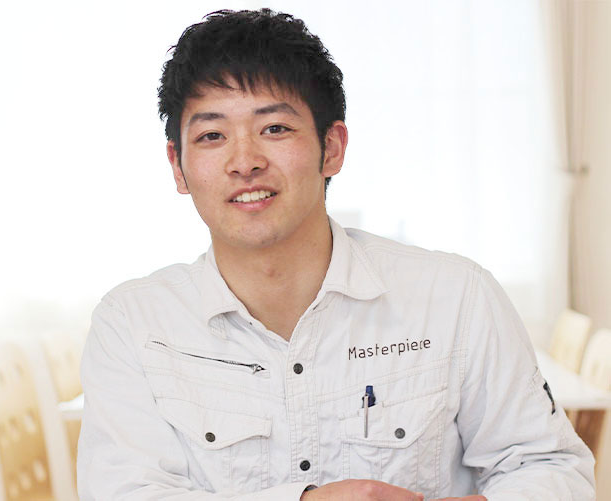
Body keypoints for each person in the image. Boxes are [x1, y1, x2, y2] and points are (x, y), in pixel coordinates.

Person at [77, 9, 595, 500]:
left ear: (332, 147)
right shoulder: (133, 325)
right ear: (178, 165)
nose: (244, 161)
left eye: (274, 128)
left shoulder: (456, 296)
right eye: (212, 135)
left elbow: (552, 470)